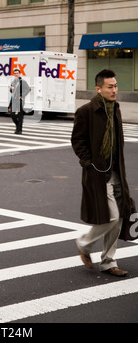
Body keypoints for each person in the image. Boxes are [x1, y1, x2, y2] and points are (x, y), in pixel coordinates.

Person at [71, 69, 132, 277]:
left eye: (115, 86)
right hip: (97, 172)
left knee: (120, 216)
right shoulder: (86, 111)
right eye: (110, 87)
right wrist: (88, 162)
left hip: (115, 171)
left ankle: (108, 261)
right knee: (111, 217)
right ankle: (84, 244)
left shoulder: (115, 109)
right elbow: (77, 140)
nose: (115, 90)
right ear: (99, 89)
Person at [9, 68, 31, 134]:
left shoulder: (22, 81)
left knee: (20, 115)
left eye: (17, 73)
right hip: (14, 100)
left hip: (20, 100)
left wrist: (22, 95)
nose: (16, 74)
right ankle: (18, 126)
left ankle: (19, 130)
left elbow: (28, 89)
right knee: (12, 114)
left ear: (19, 74)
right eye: (15, 73)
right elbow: (12, 91)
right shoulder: (13, 82)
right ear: (13, 74)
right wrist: (11, 89)